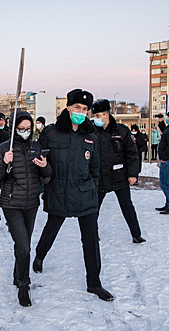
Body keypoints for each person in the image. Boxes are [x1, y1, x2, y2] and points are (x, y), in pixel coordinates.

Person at [33, 88, 114, 302]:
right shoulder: (50, 133)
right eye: (77, 107)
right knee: (51, 229)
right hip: (58, 192)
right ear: (68, 108)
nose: (81, 111)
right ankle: (39, 256)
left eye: (85, 109)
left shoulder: (91, 136)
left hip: (84, 194)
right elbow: (39, 162)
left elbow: (95, 169)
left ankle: (94, 283)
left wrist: (91, 188)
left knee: (90, 240)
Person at [0, 111, 52, 307]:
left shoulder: (36, 146)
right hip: (11, 203)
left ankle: (17, 274)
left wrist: (44, 166)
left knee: (23, 244)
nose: (25, 132)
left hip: (31, 203)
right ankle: (24, 286)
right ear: (14, 128)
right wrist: (4, 163)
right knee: (24, 246)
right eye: (21, 129)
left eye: (28, 128)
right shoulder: (3, 149)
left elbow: (47, 177)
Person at [91, 100, 145, 244]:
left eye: (98, 115)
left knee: (127, 206)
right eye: (94, 116)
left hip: (119, 176)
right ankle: (92, 235)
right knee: (93, 209)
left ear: (106, 115)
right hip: (99, 178)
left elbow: (132, 154)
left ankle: (136, 234)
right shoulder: (91, 131)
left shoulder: (121, 131)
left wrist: (133, 174)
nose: (95, 118)